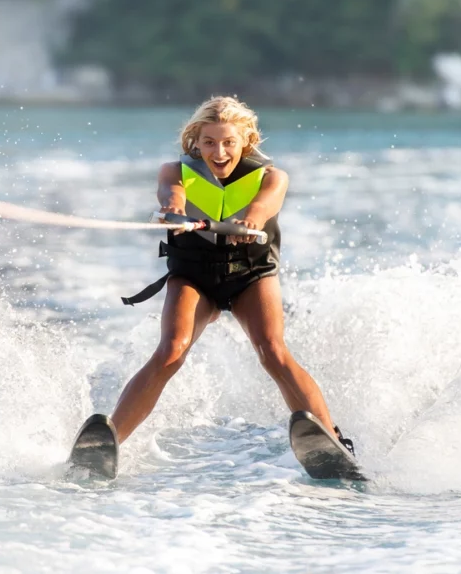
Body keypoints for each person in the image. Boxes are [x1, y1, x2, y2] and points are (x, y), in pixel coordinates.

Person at [116, 96, 353, 453]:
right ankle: (107, 443)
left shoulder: (272, 177)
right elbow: (172, 193)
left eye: (229, 142)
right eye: (209, 142)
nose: (220, 151)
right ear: (195, 141)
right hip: (194, 277)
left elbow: (266, 203)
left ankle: (333, 442)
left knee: (272, 352)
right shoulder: (173, 171)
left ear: (247, 141)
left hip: (250, 275)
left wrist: (251, 220)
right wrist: (174, 210)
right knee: (171, 351)